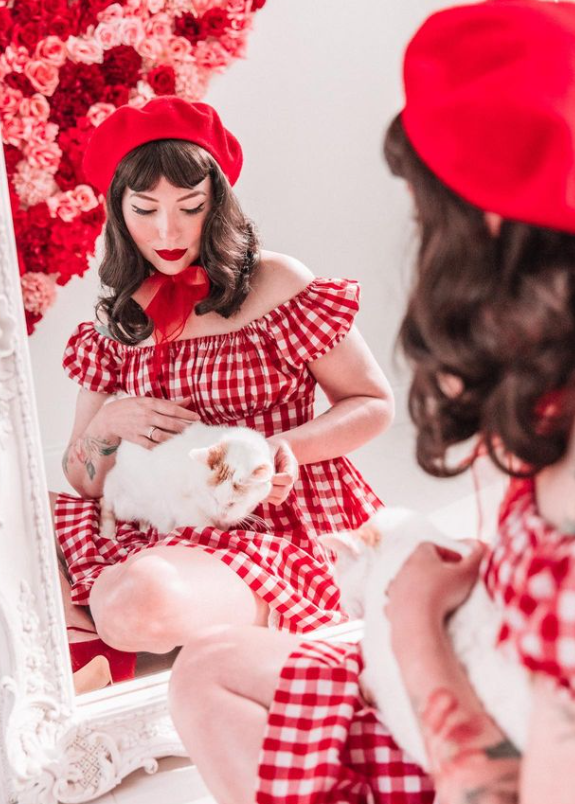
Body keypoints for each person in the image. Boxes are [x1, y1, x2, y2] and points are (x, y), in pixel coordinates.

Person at [166, 2, 575, 802]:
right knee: (209, 669)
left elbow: (507, 791)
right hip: (491, 668)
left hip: (500, 755)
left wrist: (412, 621)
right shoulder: (543, 394)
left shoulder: (282, 285)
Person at [51, 96, 394, 685]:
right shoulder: (117, 323)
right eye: (145, 210)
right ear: (118, 213)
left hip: (273, 521)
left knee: (134, 599)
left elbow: (372, 404)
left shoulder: (278, 283)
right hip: (155, 524)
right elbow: (82, 478)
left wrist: (282, 449)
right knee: (21, 535)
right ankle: (109, 639)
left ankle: (103, 634)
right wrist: (107, 427)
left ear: (217, 204)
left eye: (189, 207)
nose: (167, 231)